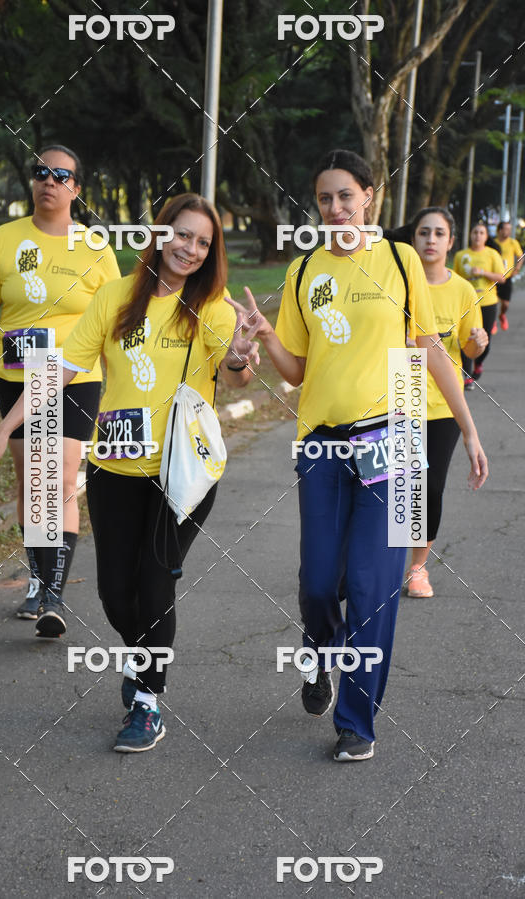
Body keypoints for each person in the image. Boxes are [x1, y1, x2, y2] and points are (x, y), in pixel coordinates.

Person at [0, 193, 257, 753]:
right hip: (114, 468)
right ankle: (142, 657)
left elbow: (235, 370)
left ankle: (148, 701)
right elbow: (60, 369)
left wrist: (242, 356)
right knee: (112, 595)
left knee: (154, 587)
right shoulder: (115, 297)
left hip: (182, 475)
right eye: (182, 235)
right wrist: (5, 429)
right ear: (160, 233)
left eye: (203, 242)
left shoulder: (213, 308)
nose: (190, 249)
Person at [229, 150, 488, 762]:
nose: (336, 208)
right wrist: (265, 339)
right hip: (320, 444)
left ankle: (357, 720)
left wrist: (471, 431)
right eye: (324, 199)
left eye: (346, 196)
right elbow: (295, 372)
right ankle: (321, 651)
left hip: (391, 442)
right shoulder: (303, 272)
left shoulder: (399, 262)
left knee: (374, 586)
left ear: (368, 197)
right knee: (319, 582)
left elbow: (431, 351)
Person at [0, 145, 121, 633]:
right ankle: (40, 579)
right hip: (18, 377)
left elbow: (114, 319)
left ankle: (53, 595)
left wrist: (123, 386)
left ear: (76, 189)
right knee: (30, 483)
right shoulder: (4, 239)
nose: (49, 181)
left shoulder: (95, 246)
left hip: (76, 376)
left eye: (61, 175)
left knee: (60, 481)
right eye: (40, 172)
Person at [404, 208, 488, 598]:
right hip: (398, 397)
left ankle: (417, 567)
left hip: (443, 406)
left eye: (439, 233)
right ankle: (380, 563)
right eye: (424, 232)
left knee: (429, 487)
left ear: (450, 242)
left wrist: (478, 342)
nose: (431, 239)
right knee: (397, 488)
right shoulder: (397, 283)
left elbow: (468, 348)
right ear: (414, 239)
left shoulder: (463, 290)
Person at [453, 222, 504, 386]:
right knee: (466, 338)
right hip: (467, 303)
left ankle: (479, 363)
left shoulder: (492, 254)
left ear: (486, 236)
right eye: (475, 232)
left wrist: (482, 272)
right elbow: (455, 279)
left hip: (488, 302)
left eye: (481, 233)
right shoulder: (461, 255)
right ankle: (467, 375)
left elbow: (501, 278)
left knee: (485, 339)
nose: (478, 236)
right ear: (470, 235)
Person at [495, 220, 523, 331]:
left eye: (509, 229)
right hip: (494, 277)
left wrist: (517, 268)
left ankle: (502, 315)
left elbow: (520, 256)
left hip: (507, 277)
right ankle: (491, 321)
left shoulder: (513, 243)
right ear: (500, 230)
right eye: (506, 229)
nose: (508, 232)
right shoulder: (494, 243)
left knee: (505, 304)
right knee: (492, 302)